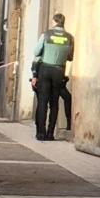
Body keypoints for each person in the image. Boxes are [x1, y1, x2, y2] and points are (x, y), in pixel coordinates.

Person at [31, 13, 74, 141]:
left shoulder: (46, 34)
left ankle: (40, 133)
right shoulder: (70, 38)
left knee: (42, 102)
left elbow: (36, 52)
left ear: (54, 21)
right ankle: (50, 133)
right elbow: (70, 57)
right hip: (59, 70)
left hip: (45, 69)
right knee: (54, 103)